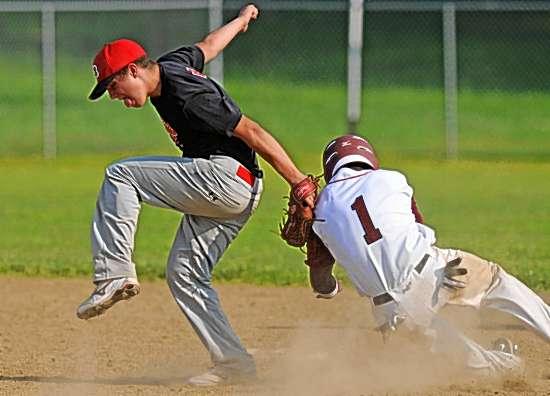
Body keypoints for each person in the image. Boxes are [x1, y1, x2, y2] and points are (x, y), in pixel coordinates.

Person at [77, 5, 315, 386]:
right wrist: (241, 21)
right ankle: (234, 365)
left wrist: (299, 182)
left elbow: (251, 131)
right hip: (236, 188)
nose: (112, 95)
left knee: (120, 175)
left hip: (224, 178)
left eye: (113, 85)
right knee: (185, 274)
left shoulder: (187, 96)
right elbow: (209, 45)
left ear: (133, 70)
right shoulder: (172, 66)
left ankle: (113, 275)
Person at [303, 134, 550, 374]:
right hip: (437, 272)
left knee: (469, 364)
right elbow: (415, 222)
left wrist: (330, 282)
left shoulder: (319, 213)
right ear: (369, 159)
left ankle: (506, 364)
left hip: (392, 315)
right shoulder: (391, 178)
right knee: (497, 282)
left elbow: (322, 286)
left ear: (329, 169)